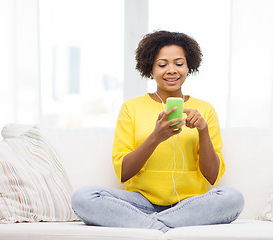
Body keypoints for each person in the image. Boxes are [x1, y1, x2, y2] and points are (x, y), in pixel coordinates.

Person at [71, 30, 244, 232]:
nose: (171, 70)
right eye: (162, 65)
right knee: (83, 198)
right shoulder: (131, 107)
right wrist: (156, 137)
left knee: (233, 198)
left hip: (189, 204)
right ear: (150, 68)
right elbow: (124, 172)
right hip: (140, 203)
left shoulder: (205, 110)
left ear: (189, 66)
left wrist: (203, 131)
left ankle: (149, 227)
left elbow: (212, 177)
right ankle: (168, 227)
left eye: (179, 64)